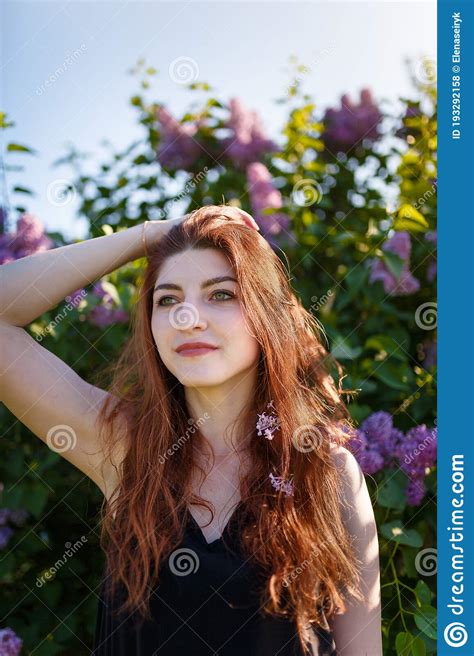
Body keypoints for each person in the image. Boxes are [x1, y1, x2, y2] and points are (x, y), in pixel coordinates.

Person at [0, 204, 382, 655]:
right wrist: (146, 237)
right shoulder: (124, 448)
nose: (187, 317)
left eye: (220, 294)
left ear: (266, 315)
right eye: (167, 300)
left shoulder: (325, 473)